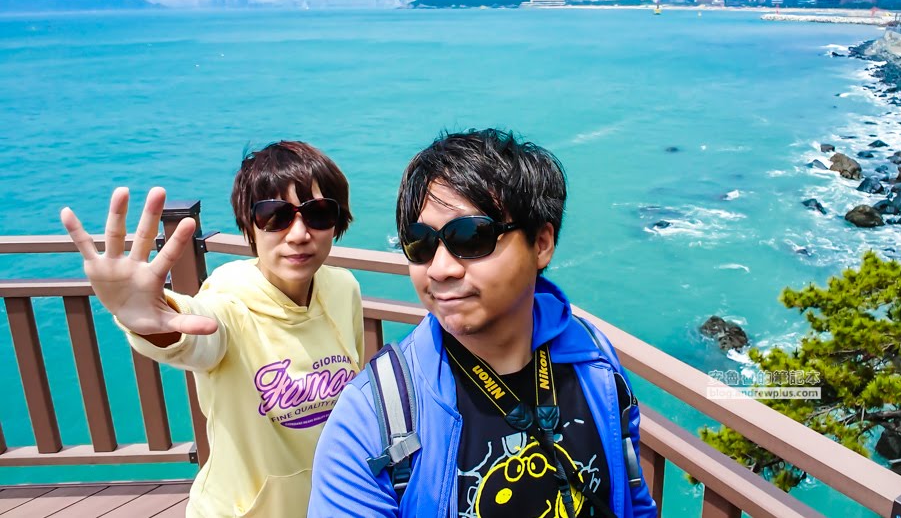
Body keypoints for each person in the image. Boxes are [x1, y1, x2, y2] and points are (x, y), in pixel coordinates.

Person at [308, 129, 657, 517]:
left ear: (541, 244)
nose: (439, 269)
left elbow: (633, 499)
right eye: (420, 242)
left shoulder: (593, 359)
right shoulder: (371, 419)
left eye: (471, 236)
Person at [60, 141, 364, 518]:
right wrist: (151, 320)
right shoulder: (229, 302)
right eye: (275, 216)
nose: (299, 234)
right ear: (249, 225)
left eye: (318, 213)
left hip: (329, 505)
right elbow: (198, 336)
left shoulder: (343, 289)